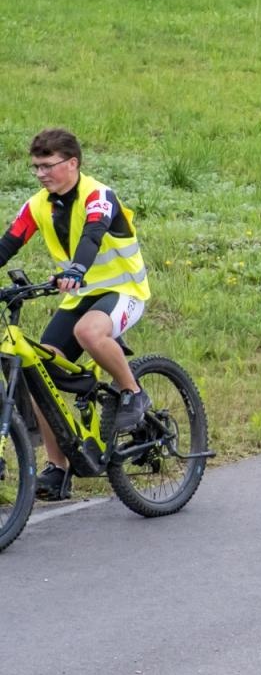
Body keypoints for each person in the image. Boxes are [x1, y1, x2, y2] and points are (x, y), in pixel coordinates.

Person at [0, 128, 152, 501]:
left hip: (124, 291)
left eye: (48, 166)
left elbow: (93, 235)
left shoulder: (99, 196)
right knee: (39, 373)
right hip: (79, 297)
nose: (41, 174)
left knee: (89, 332)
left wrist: (77, 269)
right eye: (36, 167)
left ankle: (133, 392)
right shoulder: (37, 205)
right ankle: (58, 468)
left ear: (72, 163)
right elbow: (8, 243)